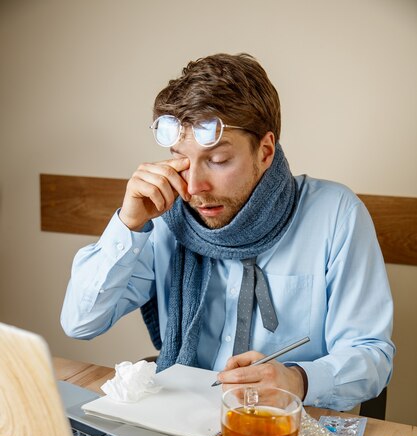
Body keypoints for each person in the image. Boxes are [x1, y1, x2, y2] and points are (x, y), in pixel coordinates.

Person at [61, 52, 394, 411]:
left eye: (218, 160)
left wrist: (297, 380)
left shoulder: (335, 214)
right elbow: (81, 323)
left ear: (265, 151)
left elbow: (372, 355)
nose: (195, 186)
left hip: (284, 427)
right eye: (182, 160)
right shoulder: (165, 215)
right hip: (180, 421)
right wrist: (128, 225)